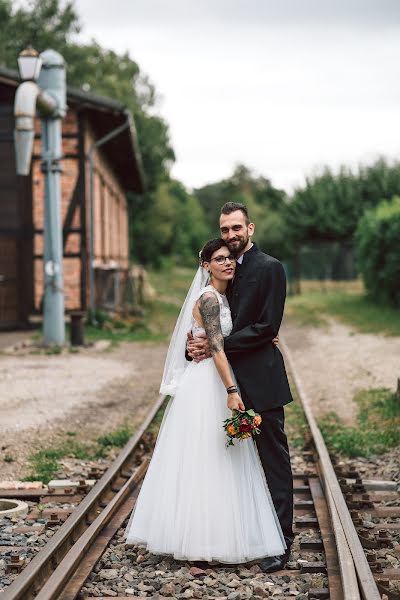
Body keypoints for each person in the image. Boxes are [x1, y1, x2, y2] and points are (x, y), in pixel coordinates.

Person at [124, 239, 286, 564]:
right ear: (206, 265)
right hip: (209, 386)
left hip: (219, 379)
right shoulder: (210, 299)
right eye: (219, 259)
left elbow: (231, 336)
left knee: (220, 460)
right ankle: (199, 538)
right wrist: (231, 391)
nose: (227, 263)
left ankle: (217, 534)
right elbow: (216, 348)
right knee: (206, 459)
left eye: (229, 258)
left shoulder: (226, 295)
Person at [187, 202, 294, 573]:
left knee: (272, 459)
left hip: (259, 378)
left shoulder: (270, 268)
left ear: (250, 227)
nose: (230, 235)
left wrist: (215, 346)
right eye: (224, 229)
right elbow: (207, 321)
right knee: (228, 461)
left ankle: (280, 541)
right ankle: (237, 533)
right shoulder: (222, 271)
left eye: (236, 228)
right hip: (222, 383)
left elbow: (267, 327)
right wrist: (195, 346)